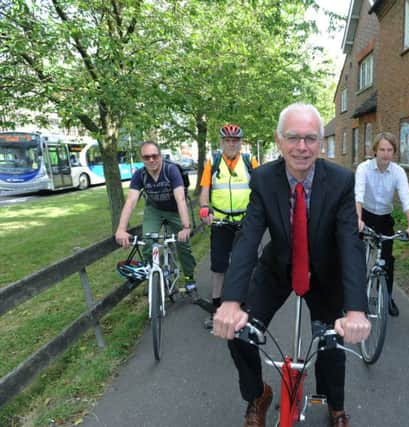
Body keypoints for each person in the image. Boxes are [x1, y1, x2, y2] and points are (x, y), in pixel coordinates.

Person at [212, 103, 370, 427]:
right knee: (238, 333)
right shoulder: (263, 179)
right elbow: (247, 238)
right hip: (278, 267)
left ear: (321, 142)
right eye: (293, 138)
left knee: (331, 344)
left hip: (326, 271)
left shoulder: (341, 181)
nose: (302, 147)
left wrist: (355, 310)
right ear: (279, 141)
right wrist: (230, 302)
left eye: (310, 138)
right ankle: (257, 394)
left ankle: (334, 404)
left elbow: (350, 245)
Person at [115, 140, 197, 292]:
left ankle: (189, 277)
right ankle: (154, 276)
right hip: (154, 209)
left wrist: (186, 227)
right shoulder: (140, 175)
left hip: (174, 210)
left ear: (160, 156)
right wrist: (121, 229)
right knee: (147, 242)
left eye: (154, 156)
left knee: (183, 245)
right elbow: (131, 200)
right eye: (146, 157)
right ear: (141, 159)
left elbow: (180, 199)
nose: (151, 160)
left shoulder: (170, 170)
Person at [198, 124, 258, 329]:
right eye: (227, 141)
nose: (231, 144)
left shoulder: (250, 161)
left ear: (240, 143)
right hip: (221, 221)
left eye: (235, 140)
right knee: (219, 267)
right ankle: (216, 310)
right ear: (221, 142)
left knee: (245, 264)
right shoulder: (213, 162)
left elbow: (259, 189)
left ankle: (244, 308)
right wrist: (205, 208)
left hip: (244, 222)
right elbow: (205, 190)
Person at [354, 132, 409, 317]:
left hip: (384, 217)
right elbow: (358, 195)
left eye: (390, 150)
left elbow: (407, 199)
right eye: (382, 149)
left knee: (388, 260)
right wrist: (358, 219)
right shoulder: (363, 168)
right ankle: (354, 298)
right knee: (356, 258)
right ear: (375, 150)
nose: (385, 154)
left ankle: (388, 296)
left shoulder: (398, 172)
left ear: (394, 152)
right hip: (365, 215)